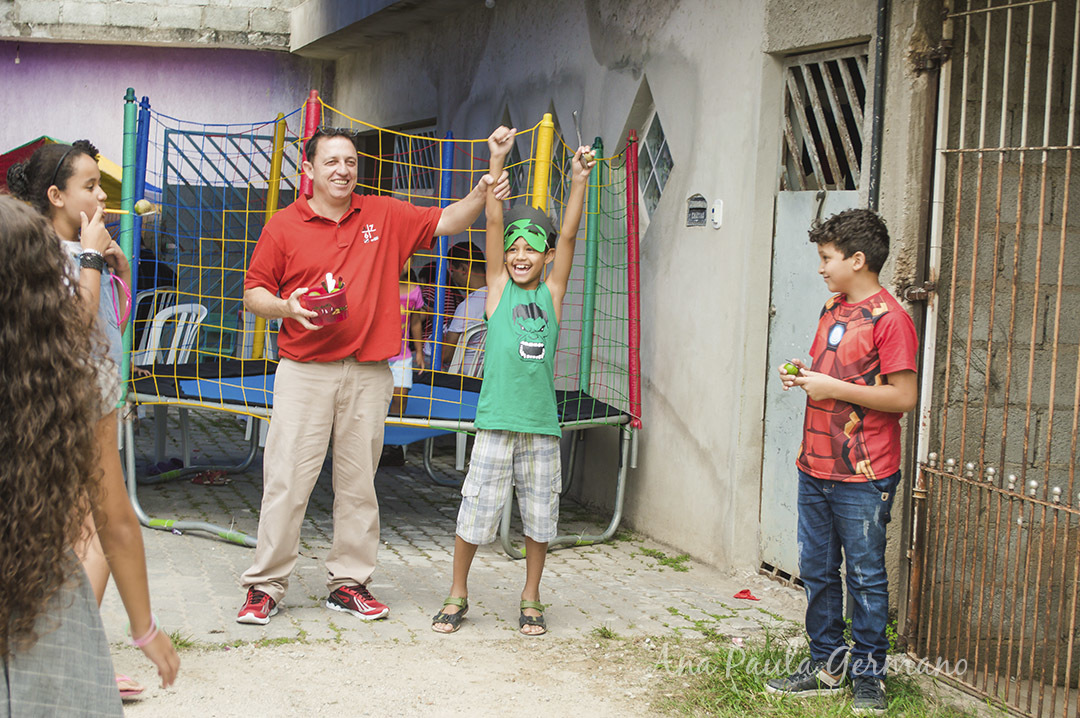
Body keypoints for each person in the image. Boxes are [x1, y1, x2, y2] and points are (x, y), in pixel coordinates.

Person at [237, 127, 510, 624]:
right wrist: (287, 307)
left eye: (350, 161)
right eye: (331, 161)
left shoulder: (384, 213)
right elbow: (253, 293)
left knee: (359, 483)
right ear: (309, 170)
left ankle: (350, 583)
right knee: (286, 481)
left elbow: (450, 219)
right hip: (304, 370)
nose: (342, 170)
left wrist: (487, 178)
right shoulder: (283, 225)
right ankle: (266, 585)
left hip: (368, 372)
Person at [6, 141, 180, 697]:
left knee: (93, 530)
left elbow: (108, 329)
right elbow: (73, 343)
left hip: (91, 402)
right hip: (64, 413)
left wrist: (114, 269)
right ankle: (77, 643)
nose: (101, 196)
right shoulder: (43, 261)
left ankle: (79, 640)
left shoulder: (88, 255)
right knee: (96, 526)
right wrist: (87, 260)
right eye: (89, 186)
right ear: (56, 197)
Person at [431, 128, 594, 636]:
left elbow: (568, 234)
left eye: (533, 248)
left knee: (541, 517)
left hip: (541, 426)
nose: (521, 253)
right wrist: (496, 160)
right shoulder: (497, 289)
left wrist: (579, 179)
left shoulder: (553, 293)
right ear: (504, 259)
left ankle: (531, 594)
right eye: (515, 248)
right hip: (497, 422)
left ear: (546, 257)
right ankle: (457, 592)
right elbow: (494, 222)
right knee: (476, 512)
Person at [766, 209, 918, 715]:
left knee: (866, 576)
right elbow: (838, 376)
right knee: (818, 570)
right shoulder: (832, 308)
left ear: (857, 259)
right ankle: (826, 665)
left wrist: (830, 388)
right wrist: (806, 376)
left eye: (827, 258)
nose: (820, 268)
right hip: (815, 466)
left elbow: (903, 397)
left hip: (864, 474)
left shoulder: (891, 319)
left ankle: (869, 674)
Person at [0, 195, 123, 716]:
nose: (98, 195)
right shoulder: (60, 370)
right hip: (40, 588)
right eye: (89, 182)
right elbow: (81, 328)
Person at [438, 241, 487, 371]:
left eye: (453, 271)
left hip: (459, 375)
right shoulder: (499, 298)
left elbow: (445, 356)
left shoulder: (468, 306)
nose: (452, 277)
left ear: (463, 269)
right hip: (485, 372)